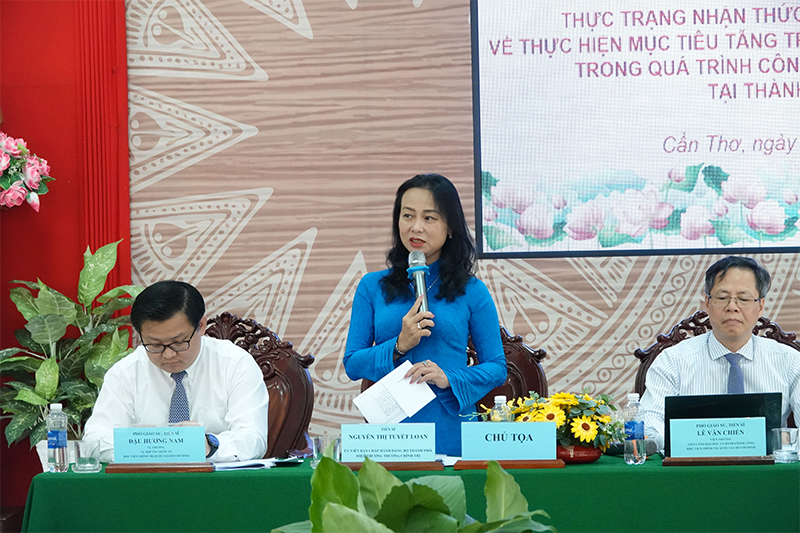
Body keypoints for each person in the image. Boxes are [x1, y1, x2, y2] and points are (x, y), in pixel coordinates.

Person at [343, 173, 507, 456]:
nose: (415, 227)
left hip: (451, 427)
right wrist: (398, 346)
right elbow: (352, 363)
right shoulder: (372, 286)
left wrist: (449, 377)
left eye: (429, 218)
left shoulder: (472, 291)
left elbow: (497, 367)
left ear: (450, 227)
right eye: (407, 215)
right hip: (393, 436)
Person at [84, 280, 269, 462]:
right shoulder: (125, 372)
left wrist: (207, 444)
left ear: (201, 326)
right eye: (155, 344)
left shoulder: (235, 364)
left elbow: (253, 438)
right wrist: (139, 445)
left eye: (179, 342)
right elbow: (95, 440)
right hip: (148, 479)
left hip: (215, 479)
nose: (169, 354)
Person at [640, 256, 800, 450]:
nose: (732, 307)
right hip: (692, 465)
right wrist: (687, 444)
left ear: (760, 306)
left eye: (743, 299)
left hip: (768, 466)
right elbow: (650, 422)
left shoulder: (789, 361)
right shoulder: (672, 360)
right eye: (722, 298)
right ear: (707, 303)